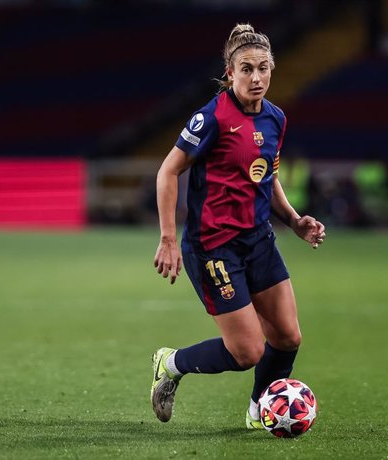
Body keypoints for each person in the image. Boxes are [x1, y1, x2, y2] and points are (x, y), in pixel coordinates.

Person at [151, 23, 326, 429]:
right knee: (247, 351)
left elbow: (267, 175)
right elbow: (167, 172)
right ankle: (171, 363)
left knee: (287, 337)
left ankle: (258, 411)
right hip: (215, 247)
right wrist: (167, 238)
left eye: (263, 68)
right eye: (246, 69)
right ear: (230, 73)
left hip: (259, 239)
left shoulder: (275, 119)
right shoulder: (211, 117)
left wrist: (295, 220)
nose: (256, 78)